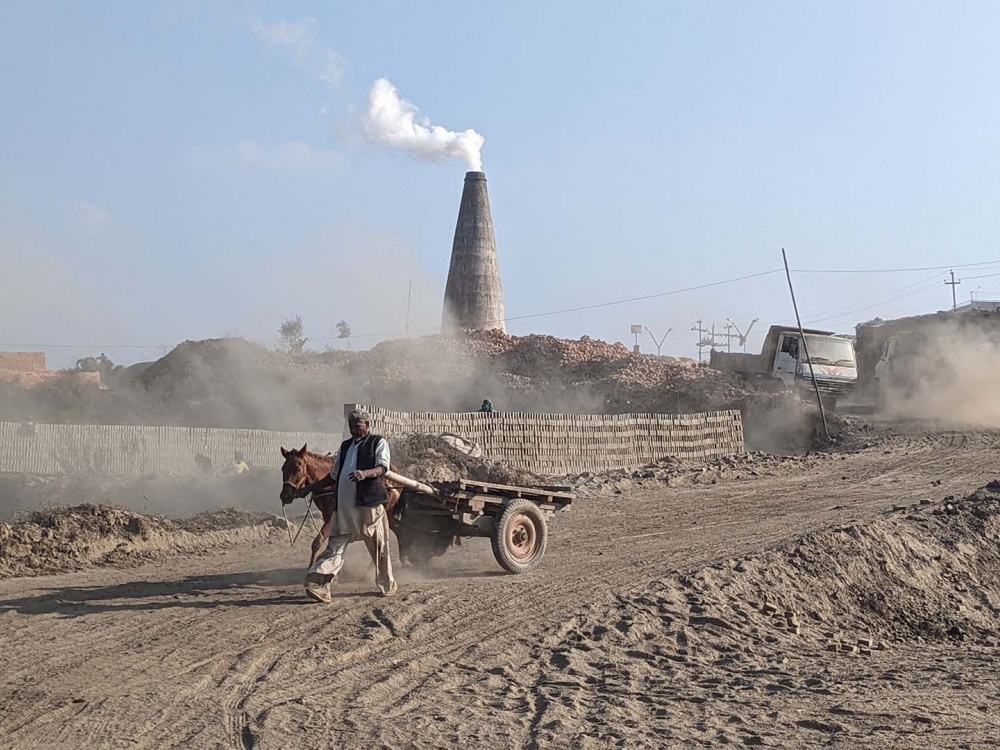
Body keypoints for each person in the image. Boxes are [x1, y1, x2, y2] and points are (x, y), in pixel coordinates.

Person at [299, 409, 397, 602]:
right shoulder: (345, 447)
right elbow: (333, 476)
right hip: (344, 506)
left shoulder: (378, 442)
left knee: (379, 546)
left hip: (369, 505)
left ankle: (387, 583)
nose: (354, 429)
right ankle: (322, 587)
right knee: (335, 546)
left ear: (367, 426)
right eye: (351, 426)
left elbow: (382, 467)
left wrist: (365, 474)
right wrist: (309, 488)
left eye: (358, 426)